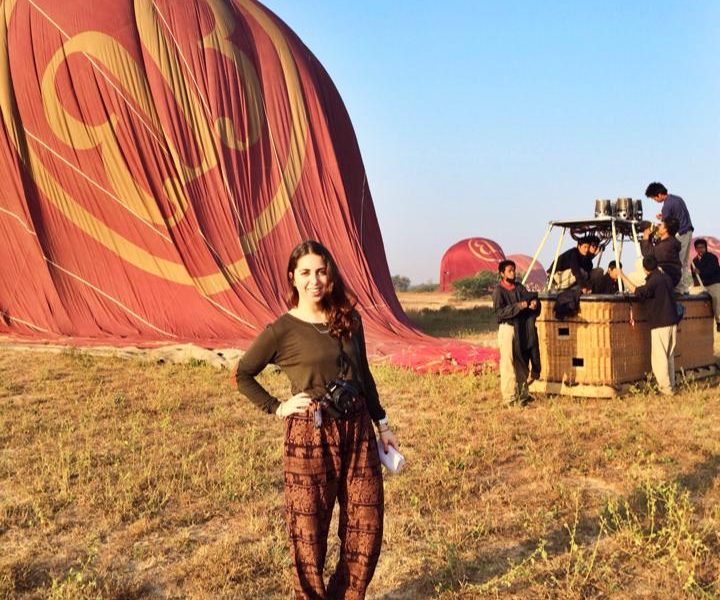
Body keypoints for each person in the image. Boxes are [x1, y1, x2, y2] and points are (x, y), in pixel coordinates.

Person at [235, 240, 398, 600]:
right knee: (308, 532)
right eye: (306, 272)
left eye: (321, 272)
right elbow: (243, 374)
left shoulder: (349, 319)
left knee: (366, 526)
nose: (315, 280)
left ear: (331, 275)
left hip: (357, 430)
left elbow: (364, 375)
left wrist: (382, 424)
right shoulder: (282, 330)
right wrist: (277, 407)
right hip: (310, 434)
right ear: (292, 278)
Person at [618, 256, 680, 396]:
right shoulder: (666, 278)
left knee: (660, 358)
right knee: (669, 357)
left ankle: (665, 389)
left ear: (645, 269)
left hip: (660, 323)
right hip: (672, 321)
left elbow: (639, 292)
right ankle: (671, 386)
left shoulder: (654, 281)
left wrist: (623, 276)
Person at [492, 259, 541, 405]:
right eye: (509, 271)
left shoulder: (519, 287)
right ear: (502, 273)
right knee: (508, 362)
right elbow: (500, 313)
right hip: (507, 328)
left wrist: (534, 303)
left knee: (521, 360)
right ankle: (509, 397)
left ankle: (523, 394)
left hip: (521, 328)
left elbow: (530, 297)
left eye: (514, 270)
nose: (513, 273)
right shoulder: (498, 291)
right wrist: (519, 306)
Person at [646, 182, 694, 293]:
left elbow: (665, 227)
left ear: (659, 195)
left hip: (681, 233)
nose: (655, 200)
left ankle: (679, 288)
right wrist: (663, 216)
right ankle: (684, 287)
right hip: (687, 231)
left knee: (679, 261)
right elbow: (676, 217)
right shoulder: (677, 199)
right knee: (684, 261)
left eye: (654, 198)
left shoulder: (666, 206)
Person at [639, 217, 682, 289]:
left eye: (661, 225)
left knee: (647, 264)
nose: (658, 227)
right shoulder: (669, 242)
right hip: (668, 276)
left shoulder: (667, 245)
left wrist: (645, 237)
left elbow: (648, 254)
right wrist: (650, 237)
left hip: (668, 277)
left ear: (665, 229)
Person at [691, 238, 720, 332]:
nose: (700, 249)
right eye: (698, 248)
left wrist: (700, 272)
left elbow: (713, 270)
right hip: (702, 285)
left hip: (714, 283)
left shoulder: (712, 257)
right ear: (696, 249)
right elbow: (694, 277)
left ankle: (719, 321)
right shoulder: (694, 261)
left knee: (716, 299)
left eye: (702, 247)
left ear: (705, 247)